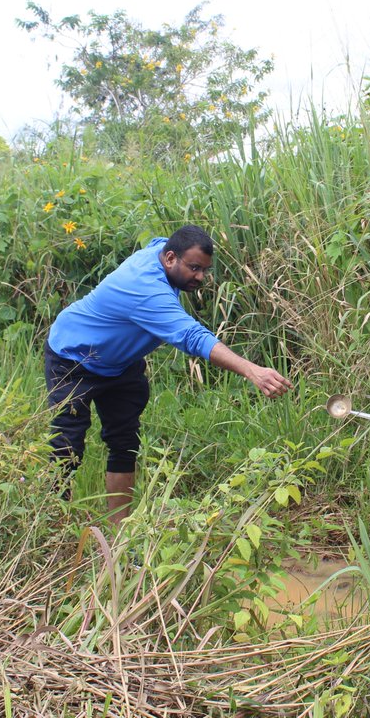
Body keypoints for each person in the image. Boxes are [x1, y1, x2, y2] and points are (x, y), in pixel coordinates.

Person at [44, 224, 292, 524]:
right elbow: (193, 337)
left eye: (204, 270)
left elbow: (158, 239)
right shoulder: (144, 289)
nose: (200, 277)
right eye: (195, 268)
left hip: (121, 365)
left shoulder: (162, 252)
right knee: (66, 447)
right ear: (170, 258)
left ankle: (119, 535)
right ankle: (52, 527)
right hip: (73, 359)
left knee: (125, 443)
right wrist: (252, 371)